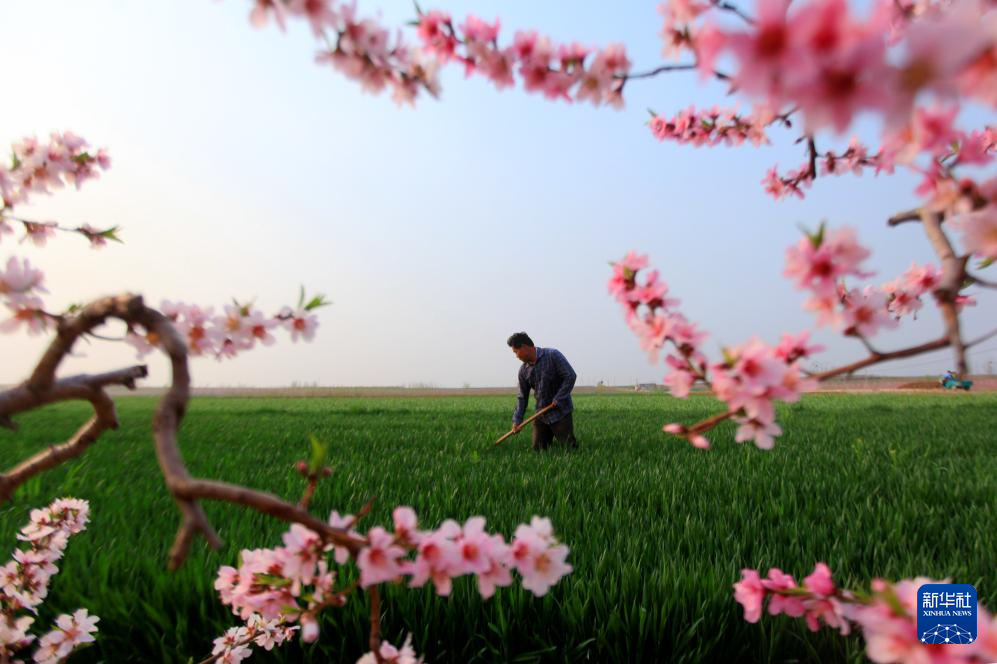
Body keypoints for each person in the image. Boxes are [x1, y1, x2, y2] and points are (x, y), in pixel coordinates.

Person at [507, 332, 579, 451]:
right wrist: (517, 420)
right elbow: (522, 397)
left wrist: (558, 398)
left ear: (524, 347)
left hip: (560, 412)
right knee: (538, 450)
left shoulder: (552, 355)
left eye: (516, 352)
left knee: (570, 449)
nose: (516, 356)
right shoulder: (523, 370)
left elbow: (570, 376)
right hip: (541, 414)